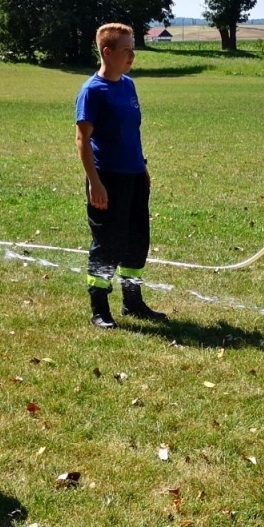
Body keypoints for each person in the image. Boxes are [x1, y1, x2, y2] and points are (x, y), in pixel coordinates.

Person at [76, 23, 165, 328]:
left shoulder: (128, 85)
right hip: (107, 178)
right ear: (107, 52)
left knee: (137, 241)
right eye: (127, 50)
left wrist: (143, 168)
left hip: (135, 176)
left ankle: (133, 301)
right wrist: (95, 183)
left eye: (133, 49)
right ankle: (99, 308)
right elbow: (82, 140)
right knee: (108, 244)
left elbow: (132, 133)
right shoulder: (92, 91)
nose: (132, 55)